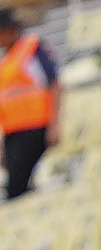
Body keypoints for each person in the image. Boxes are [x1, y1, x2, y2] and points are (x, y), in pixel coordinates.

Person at [1, 11, 62, 201]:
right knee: (17, 183)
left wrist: (54, 125)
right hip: (13, 131)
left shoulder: (31, 49)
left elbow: (55, 85)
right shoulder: (6, 59)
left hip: (34, 127)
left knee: (16, 186)